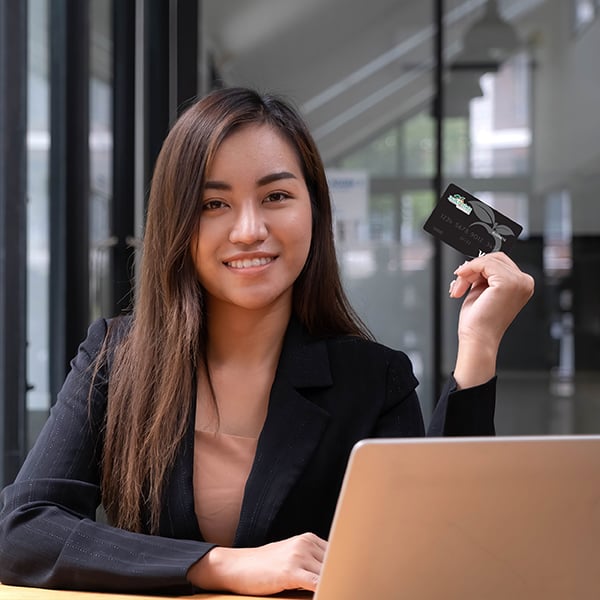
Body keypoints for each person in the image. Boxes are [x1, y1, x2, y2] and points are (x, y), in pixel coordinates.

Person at [0, 87, 534, 596]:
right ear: (175, 224)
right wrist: (219, 565)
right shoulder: (117, 358)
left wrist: (479, 343)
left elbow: (435, 554)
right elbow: (21, 530)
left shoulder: (373, 379)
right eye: (214, 204)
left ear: (314, 211)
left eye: (276, 195)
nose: (249, 229)